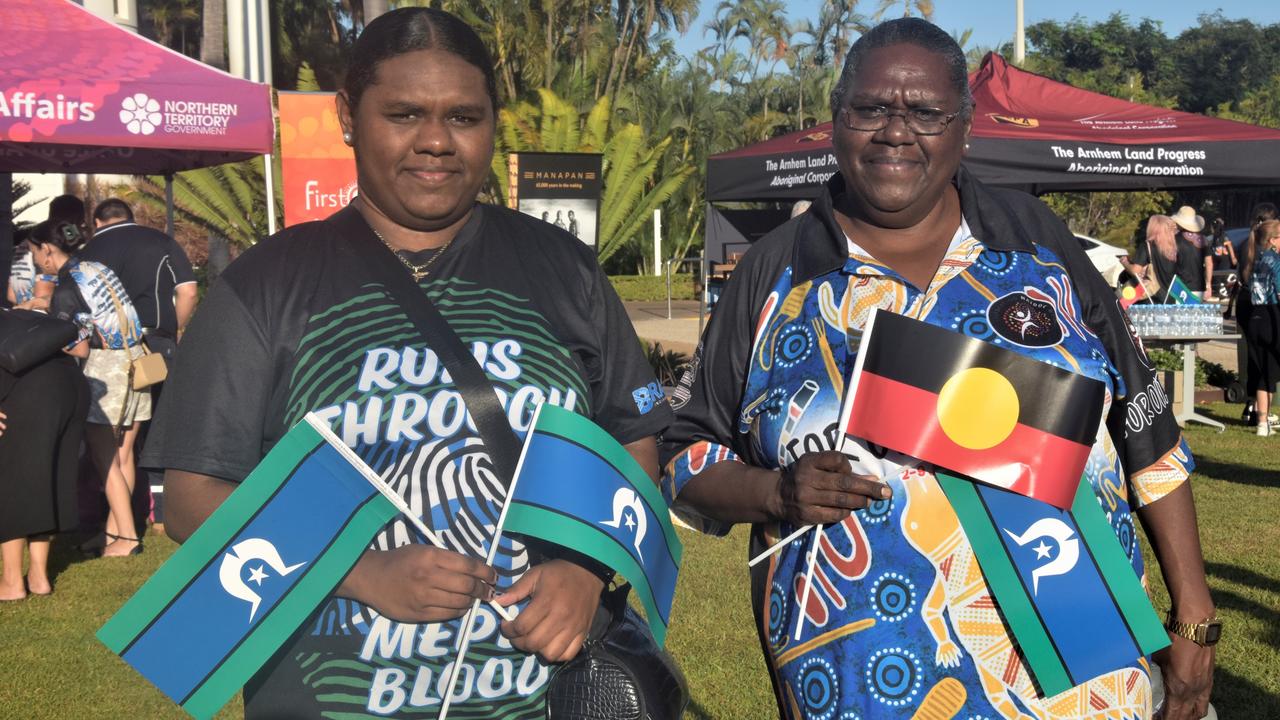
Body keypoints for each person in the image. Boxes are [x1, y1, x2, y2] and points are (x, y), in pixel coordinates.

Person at [661, 18, 1214, 720]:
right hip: (866, 687)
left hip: (1083, 681)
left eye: (925, 113)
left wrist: (1193, 617)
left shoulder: (1040, 248)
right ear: (836, 118)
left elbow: (1146, 429)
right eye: (871, 109)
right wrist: (775, 493)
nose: (896, 132)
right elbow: (682, 452)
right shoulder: (774, 275)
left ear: (965, 127)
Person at [142, 8, 671, 717]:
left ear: (493, 121)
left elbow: (632, 441)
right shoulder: (264, 286)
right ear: (347, 116)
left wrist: (583, 568)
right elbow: (191, 500)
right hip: (326, 697)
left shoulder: (564, 270)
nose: (435, 141)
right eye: (403, 113)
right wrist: (360, 573)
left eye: (464, 117)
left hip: (538, 697)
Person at [30, 220, 149, 558]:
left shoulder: (67, 286)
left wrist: (42, 332)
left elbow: (79, 347)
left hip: (106, 369)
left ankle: (126, 538)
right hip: (137, 360)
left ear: (48, 250)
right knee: (124, 453)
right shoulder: (95, 266)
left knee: (104, 456)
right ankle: (114, 531)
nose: (36, 261)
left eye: (35, 252)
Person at [0, 347, 90, 600]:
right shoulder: (27, 315)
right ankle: (38, 578)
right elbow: (81, 347)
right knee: (46, 478)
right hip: (69, 383)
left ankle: (11, 581)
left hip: (26, 386)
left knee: (11, 479)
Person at [1238, 203, 1278, 428]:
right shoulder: (1270, 257)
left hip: (1249, 308)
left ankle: (1254, 407)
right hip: (1266, 310)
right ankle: (1261, 412)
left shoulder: (1248, 245)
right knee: (1266, 363)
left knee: (1255, 358)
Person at [1128, 214, 1203, 303]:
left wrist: (1125, 262)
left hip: (1151, 297)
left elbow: (1135, 271)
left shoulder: (1147, 246)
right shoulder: (1177, 247)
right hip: (1174, 296)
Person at [1203, 217, 1237, 302]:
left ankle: (1223, 295)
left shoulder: (1223, 237)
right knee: (1218, 277)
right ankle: (1219, 295)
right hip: (1219, 261)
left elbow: (1229, 247)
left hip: (1222, 261)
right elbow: (1230, 249)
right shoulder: (1214, 238)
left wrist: (1233, 258)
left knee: (1222, 277)